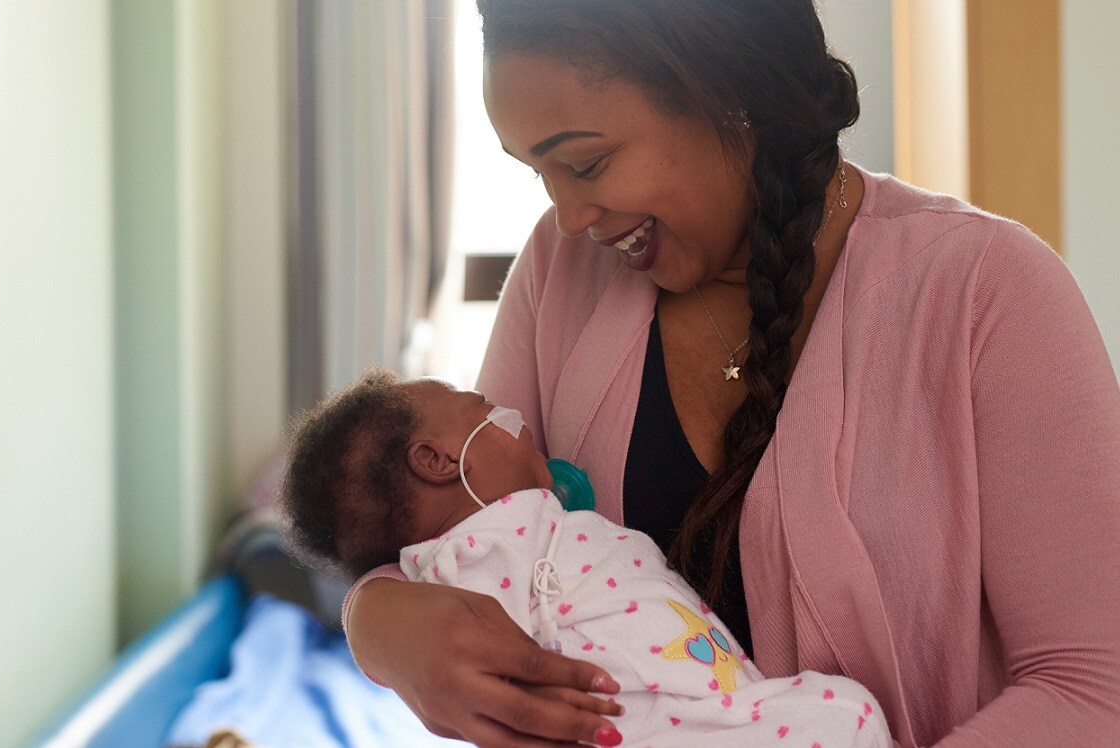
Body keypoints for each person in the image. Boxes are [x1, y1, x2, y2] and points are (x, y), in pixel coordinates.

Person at [342, 1, 1120, 746]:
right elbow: (444, 516)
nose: (569, 214)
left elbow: (1096, 689)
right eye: (537, 173)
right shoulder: (561, 272)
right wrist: (374, 622)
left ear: (730, 94)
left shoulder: (986, 293)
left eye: (586, 162)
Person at [280, 369, 889, 747]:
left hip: (717, 714)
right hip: (673, 728)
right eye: (482, 406)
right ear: (439, 460)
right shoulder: (472, 564)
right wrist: (376, 616)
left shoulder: (502, 542)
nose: (509, 415)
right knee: (848, 716)